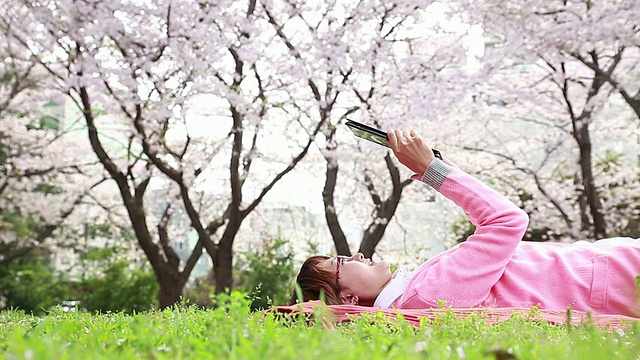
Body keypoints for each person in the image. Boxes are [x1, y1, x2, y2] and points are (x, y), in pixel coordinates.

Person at [290, 129, 640, 318]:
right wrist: (432, 170)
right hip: (616, 276)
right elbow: (506, 221)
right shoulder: (424, 296)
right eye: (341, 262)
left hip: (608, 273)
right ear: (347, 298)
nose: (357, 255)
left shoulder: (416, 293)